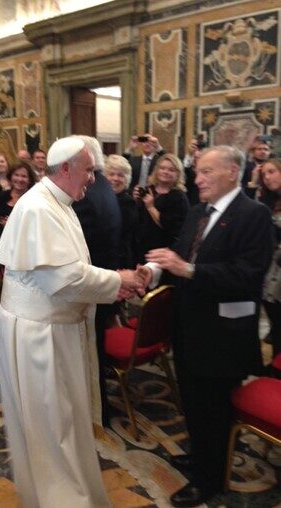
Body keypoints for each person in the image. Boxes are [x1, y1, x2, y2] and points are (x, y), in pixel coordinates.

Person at [0, 136, 144, 507]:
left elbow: (71, 268)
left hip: (55, 327)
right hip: (39, 336)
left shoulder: (57, 202)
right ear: (65, 168)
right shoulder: (38, 209)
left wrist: (114, 282)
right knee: (51, 424)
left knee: (62, 420)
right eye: (89, 171)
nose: (94, 179)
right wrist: (118, 281)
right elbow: (63, 280)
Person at [140, 145, 273, 507]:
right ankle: (202, 454)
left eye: (206, 172)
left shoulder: (253, 214)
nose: (197, 179)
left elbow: (247, 275)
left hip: (222, 333)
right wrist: (154, 269)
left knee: (213, 405)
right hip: (189, 324)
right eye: (197, 172)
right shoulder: (199, 211)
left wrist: (189, 270)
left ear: (233, 171)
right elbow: (181, 253)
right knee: (195, 403)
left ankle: (209, 480)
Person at [72, 136, 121, 427]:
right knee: (95, 350)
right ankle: (98, 407)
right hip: (103, 281)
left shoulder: (87, 193)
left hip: (92, 284)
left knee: (91, 352)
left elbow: (79, 248)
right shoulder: (102, 186)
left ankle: (96, 411)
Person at [133, 153, 189, 264]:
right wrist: (135, 200)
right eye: (162, 168)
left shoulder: (179, 197)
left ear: (177, 174)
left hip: (163, 251)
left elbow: (171, 226)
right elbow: (138, 218)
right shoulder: (149, 189)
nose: (165, 172)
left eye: (171, 170)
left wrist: (150, 207)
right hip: (141, 248)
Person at [258, 158, 281, 357]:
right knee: (275, 319)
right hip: (272, 266)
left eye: (272, 171)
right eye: (264, 174)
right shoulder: (270, 200)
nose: (267, 177)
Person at [104, 154, 139, 268]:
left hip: (120, 260)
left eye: (120, 175)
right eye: (111, 174)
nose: (115, 178)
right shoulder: (101, 199)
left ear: (127, 179)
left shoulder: (129, 203)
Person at [0, 160, 36, 229]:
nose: (20, 179)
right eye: (16, 175)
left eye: (24, 176)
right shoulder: (1, 197)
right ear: (10, 177)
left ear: (29, 180)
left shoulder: (34, 199)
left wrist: (10, 225)